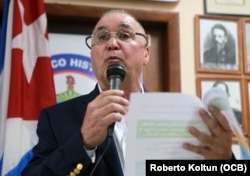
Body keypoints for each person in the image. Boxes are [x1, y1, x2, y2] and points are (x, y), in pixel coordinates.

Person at [22, 9, 234, 176]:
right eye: (102, 37)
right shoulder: (57, 118)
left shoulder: (182, 115)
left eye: (124, 35)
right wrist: (82, 143)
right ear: (92, 56)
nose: (112, 43)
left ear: (146, 54)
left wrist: (225, 161)